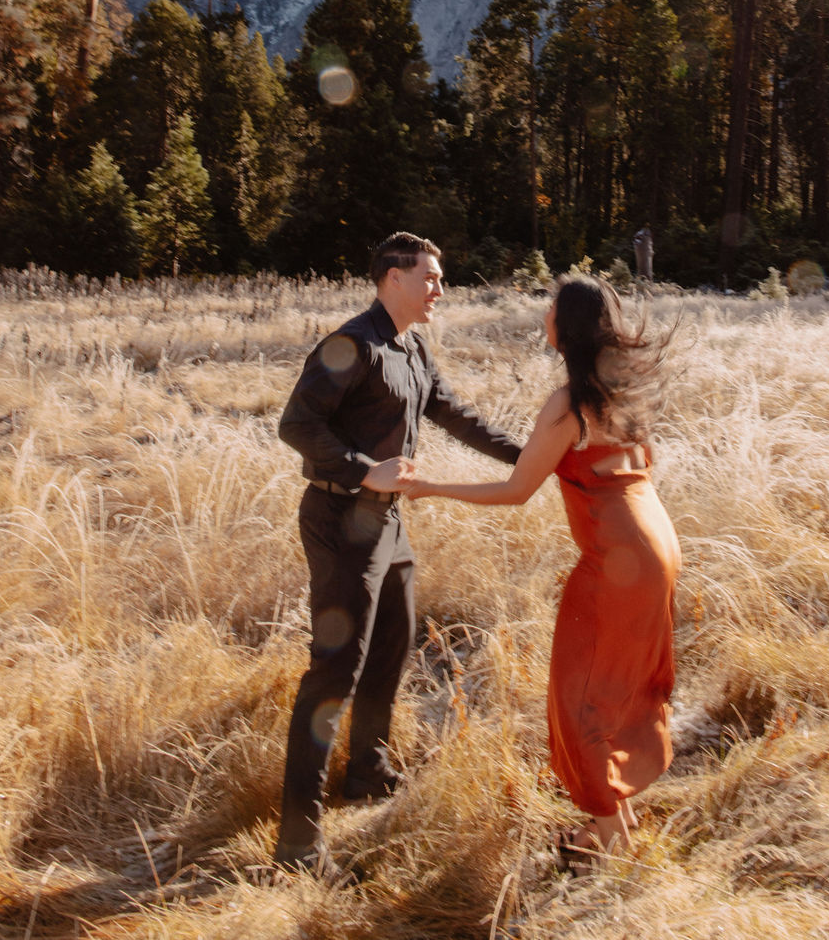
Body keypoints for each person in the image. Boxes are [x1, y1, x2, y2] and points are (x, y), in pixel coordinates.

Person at [405, 276, 680, 862]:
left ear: (569, 326)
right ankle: (611, 825)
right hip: (656, 543)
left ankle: (610, 850)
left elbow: (516, 490)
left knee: (578, 699)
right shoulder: (621, 392)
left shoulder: (569, 404)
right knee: (613, 692)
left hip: (616, 559)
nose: (544, 317)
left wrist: (429, 486)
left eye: (551, 309)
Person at [273, 231, 520, 873]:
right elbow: (296, 425)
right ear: (393, 279)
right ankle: (298, 846)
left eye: (439, 278)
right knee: (335, 673)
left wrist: (531, 459)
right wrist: (363, 470)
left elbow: (455, 414)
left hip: (387, 523)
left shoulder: (412, 346)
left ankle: (368, 774)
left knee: (392, 646)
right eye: (430, 277)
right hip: (339, 516)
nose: (440, 288)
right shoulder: (352, 343)